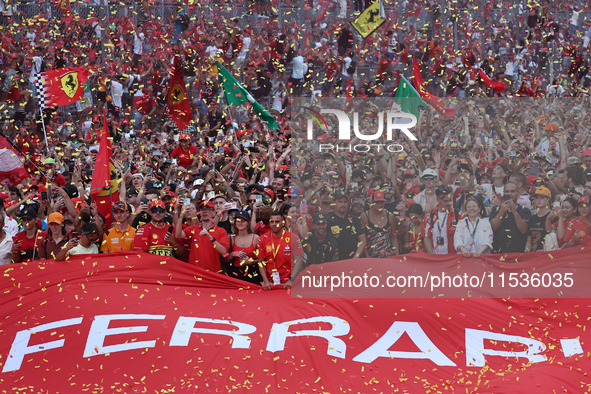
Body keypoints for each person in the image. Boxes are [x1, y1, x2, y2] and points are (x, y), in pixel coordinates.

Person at [175, 200, 229, 271]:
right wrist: (181, 216)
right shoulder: (193, 228)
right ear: (199, 212)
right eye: (202, 209)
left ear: (214, 212)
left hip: (212, 274)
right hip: (194, 274)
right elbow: (178, 235)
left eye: (208, 209)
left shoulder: (221, 231)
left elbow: (224, 252)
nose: (204, 211)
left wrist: (211, 238)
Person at [257, 210, 303, 290]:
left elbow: (298, 261)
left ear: (283, 223)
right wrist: (266, 281)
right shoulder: (262, 239)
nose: (274, 224)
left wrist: (291, 280)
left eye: (277, 221)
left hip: (289, 282)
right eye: (272, 222)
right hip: (270, 283)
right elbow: (261, 262)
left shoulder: (294, 237)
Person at [489, 181, 531, 253]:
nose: (509, 194)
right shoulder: (495, 209)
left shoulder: (525, 211)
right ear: (503, 193)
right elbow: (493, 228)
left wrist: (515, 212)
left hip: (518, 253)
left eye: (513, 191)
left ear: (518, 193)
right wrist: (501, 212)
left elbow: (524, 230)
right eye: (507, 191)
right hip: (498, 253)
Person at [325, 191, 366, 260]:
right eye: (340, 202)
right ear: (334, 203)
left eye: (345, 202)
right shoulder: (327, 219)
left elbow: (363, 241)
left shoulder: (355, 219)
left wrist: (355, 258)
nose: (343, 205)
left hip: (354, 260)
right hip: (335, 262)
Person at [360, 190, 399, 257]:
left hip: (387, 256)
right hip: (370, 256)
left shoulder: (390, 216)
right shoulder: (365, 216)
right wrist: (367, 257)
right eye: (377, 202)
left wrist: (397, 255)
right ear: (372, 202)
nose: (380, 205)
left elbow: (393, 237)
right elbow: (362, 239)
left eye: (382, 202)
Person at [227, 210, 261, 285]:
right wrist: (232, 255)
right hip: (235, 273)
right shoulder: (231, 238)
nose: (240, 223)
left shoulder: (255, 238)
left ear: (248, 222)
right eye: (238, 221)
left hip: (252, 273)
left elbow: (263, 259)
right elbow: (223, 260)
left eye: (243, 221)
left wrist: (251, 262)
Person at [422, 186, 457, 255]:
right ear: (438, 200)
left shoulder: (458, 215)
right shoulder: (429, 216)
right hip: (436, 256)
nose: (449, 203)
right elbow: (426, 238)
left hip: (453, 256)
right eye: (445, 201)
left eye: (450, 200)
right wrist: (432, 256)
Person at [525, 187, 553, 252]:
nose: (539, 200)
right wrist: (527, 249)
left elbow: (555, 239)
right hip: (533, 254)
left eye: (542, 198)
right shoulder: (532, 218)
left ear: (548, 200)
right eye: (537, 198)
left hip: (547, 254)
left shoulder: (553, 216)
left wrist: (544, 250)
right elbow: (529, 240)